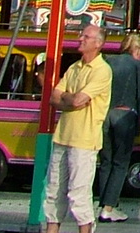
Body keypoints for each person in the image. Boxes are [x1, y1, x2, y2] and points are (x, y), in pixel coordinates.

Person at [44, 23, 114, 233]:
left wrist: (68, 98)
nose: (80, 39)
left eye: (86, 37)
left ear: (98, 43)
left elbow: (77, 100)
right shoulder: (74, 67)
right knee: (54, 192)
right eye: (81, 35)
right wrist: (69, 97)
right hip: (62, 136)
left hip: (84, 140)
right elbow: (55, 98)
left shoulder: (102, 70)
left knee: (78, 193)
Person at [96, 32, 140, 223]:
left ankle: (103, 203)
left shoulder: (107, 62)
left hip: (105, 115)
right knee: (121, 163)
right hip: (125, 115)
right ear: (137, 50)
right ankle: (109, 207)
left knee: (106, 161)